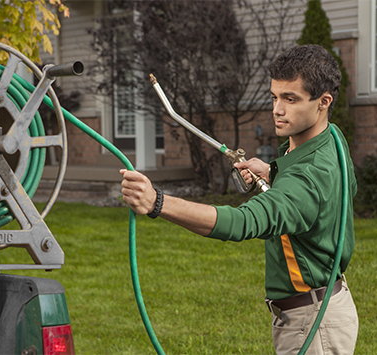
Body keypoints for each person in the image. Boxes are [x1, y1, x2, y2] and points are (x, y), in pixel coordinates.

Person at [120, 44, 358, 355]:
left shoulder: (308, 177)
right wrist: (272, 172)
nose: (277, 109)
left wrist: (156, 202)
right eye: (275, 97)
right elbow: (330, 189)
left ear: (323, 102)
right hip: (321, 308)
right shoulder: (330, 139)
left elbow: (242, 222)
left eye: (291, 99)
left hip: (313, 325)